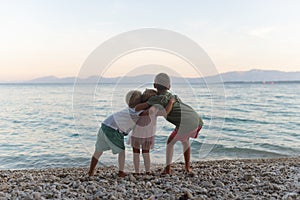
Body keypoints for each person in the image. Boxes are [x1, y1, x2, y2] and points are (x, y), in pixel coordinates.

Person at [135, 73, 203, 174]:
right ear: (169, 86)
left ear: (155, 85)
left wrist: (138, 103)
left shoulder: (157, 99)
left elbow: (139, 107)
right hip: (197, 120)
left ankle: (167, 169)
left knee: (170, 143)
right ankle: (187, 167)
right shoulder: (173, 96)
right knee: (185, 142)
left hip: (185, 124)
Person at [88, 90, 143, 177]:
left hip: (104, 125)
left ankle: (91, 171)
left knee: (98, 151)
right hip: (113, 130)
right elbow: (149, 111)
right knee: (122, 151)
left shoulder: (128, 109)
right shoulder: (137, 111)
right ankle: (121, 171)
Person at [128, 89, 176, 175]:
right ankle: (147, 171)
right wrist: (170, 103)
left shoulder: (138, 108)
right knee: (146, 153)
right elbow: (166, 112)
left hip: (136, 135)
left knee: (136, 153)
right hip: (147, 135)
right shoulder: (154, 109)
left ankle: (137, 171)